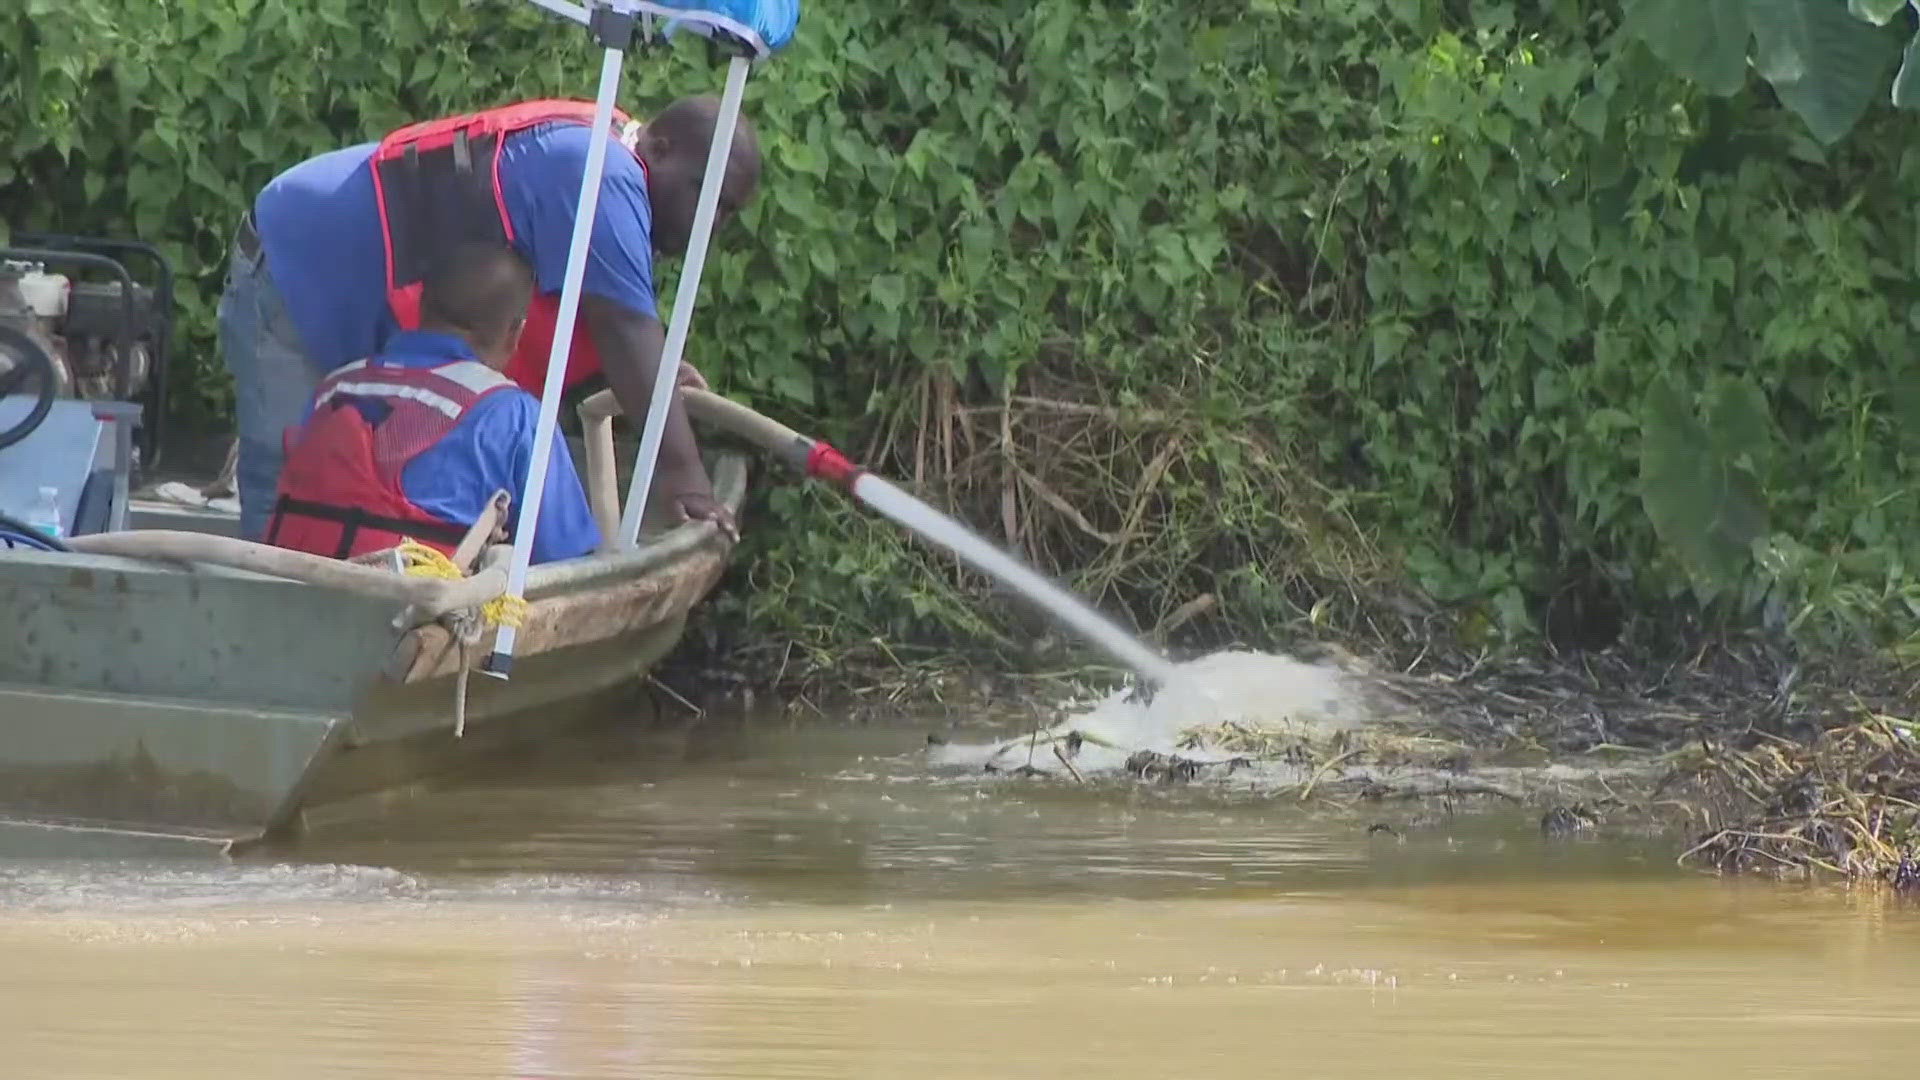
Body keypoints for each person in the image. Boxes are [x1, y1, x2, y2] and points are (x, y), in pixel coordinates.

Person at [218, 94, 758, 545]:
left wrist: (654, 370)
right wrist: (686, 478)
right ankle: (263, 648)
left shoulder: (607, 157)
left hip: (363, 296)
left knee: (352, 492)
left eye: (727, 211)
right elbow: (624, 328)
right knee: (288, 485)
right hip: (298, 264)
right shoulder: (602, 171)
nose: (712, 224)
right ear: (659, 149)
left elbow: (607, 316)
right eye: (703, 194)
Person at [265, 241, 600, 565]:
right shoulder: (515, 415)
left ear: (420, 305)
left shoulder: (335, 388)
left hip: (299, 599)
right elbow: (562, 560)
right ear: (515, 332)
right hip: (415, 614)